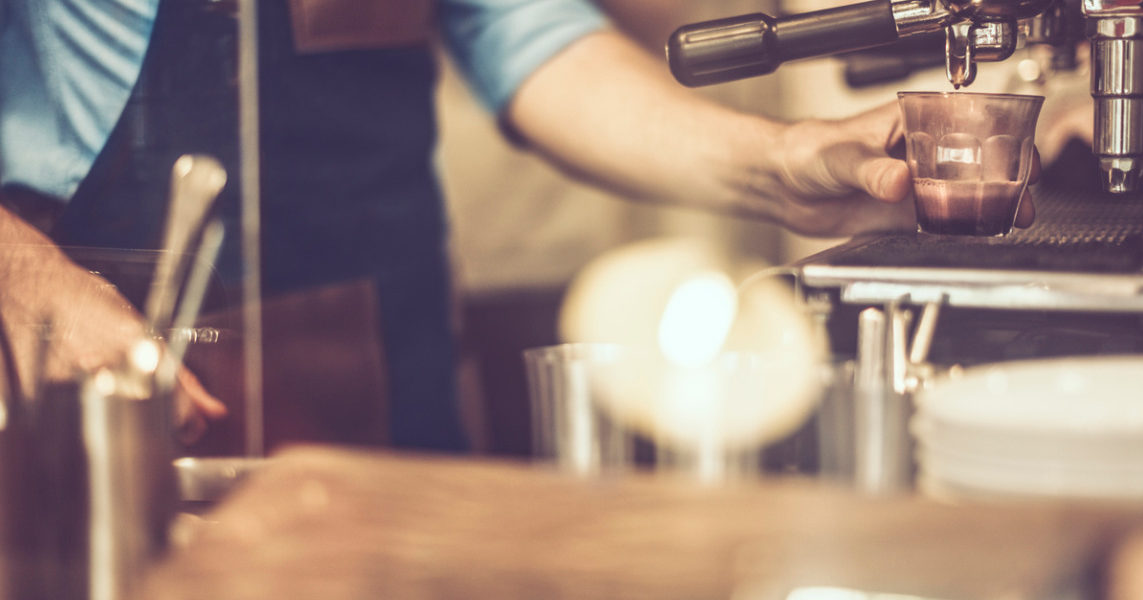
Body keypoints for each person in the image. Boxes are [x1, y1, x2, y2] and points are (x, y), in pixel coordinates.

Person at [0, 0, 1036, 450]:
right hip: (80, 390)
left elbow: (520, 27)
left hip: (381, 366)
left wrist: (771, 166)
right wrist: (21, 277)